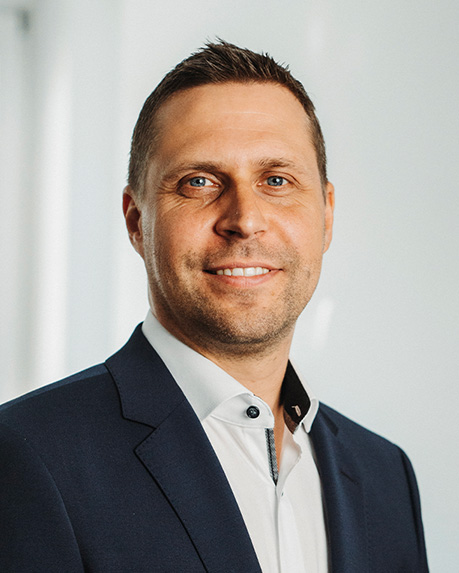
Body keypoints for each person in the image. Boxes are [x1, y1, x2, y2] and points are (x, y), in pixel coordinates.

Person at [0, 41, 428, 572]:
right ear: (137, 220)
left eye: (277, 180)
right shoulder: (28, 456)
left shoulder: (385, 476)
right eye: (199, 182)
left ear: (326, 215)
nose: (244, 219)